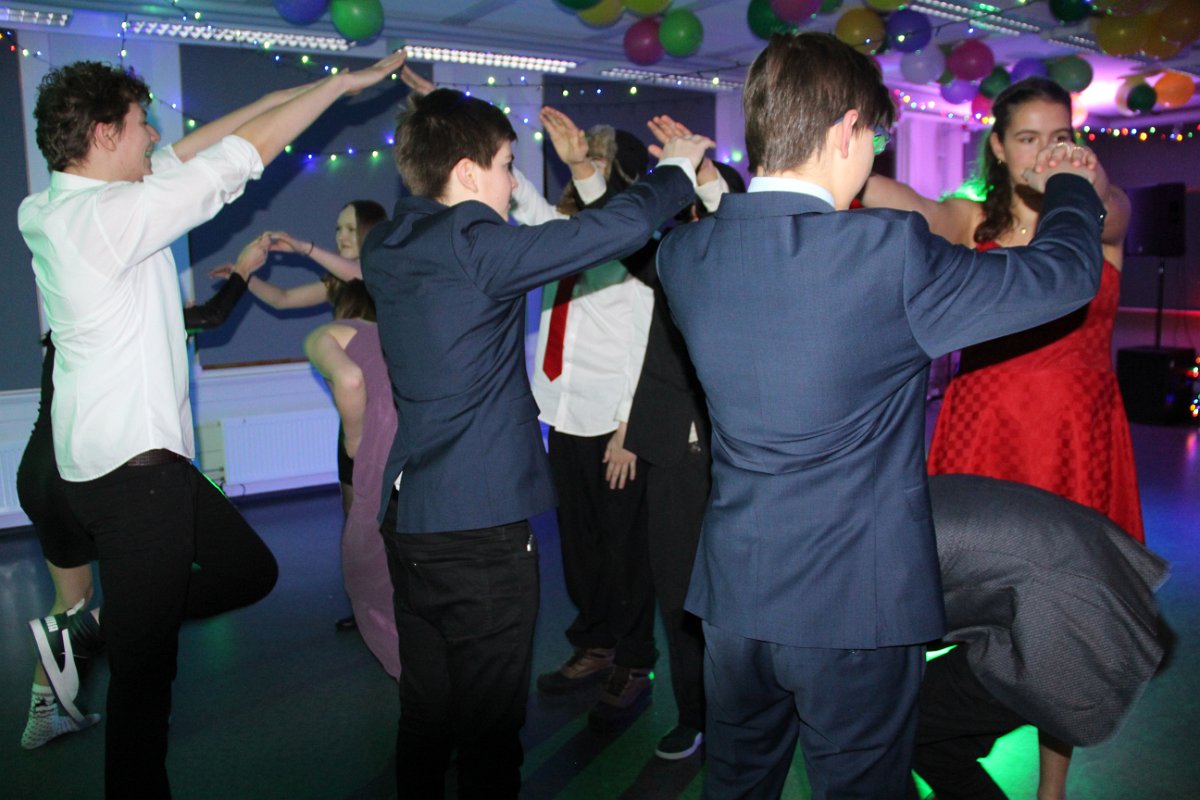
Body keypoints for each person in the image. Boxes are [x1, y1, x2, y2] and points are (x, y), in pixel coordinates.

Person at [655, 32, 1107, 798]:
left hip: (735, 598)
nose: (872, 156)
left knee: (736, 786)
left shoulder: (684, 259)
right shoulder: (887, 253)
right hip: (855, 613)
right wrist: (1069, 184)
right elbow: (1063, 275)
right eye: (873, 138)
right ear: (846, 130)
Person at [19, 51, 405, 797]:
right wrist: (336, 87)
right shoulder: (112, 219)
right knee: (145, 690)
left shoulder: (51, 209)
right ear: (104, 134)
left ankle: (91, 629)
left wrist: (283, 91)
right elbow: (237, 159)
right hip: (137, 480)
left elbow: (188, 153)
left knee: (248, 571)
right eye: (141, 124)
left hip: (113, 468)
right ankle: (114, 659)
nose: (154, 136)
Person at [359, 85, 711, 798]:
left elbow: (544, 226)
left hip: (410, 517)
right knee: (491, 731)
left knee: (426, 708)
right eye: (503, 167)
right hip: (477, 529)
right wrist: (674, 168)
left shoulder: (387, 244)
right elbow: (611, 230)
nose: (509, 185)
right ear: (466, 173)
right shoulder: (473, 246)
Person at [861, 77, 1143, 542]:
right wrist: (846, 162)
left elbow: (1109, 206)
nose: (1047, 154)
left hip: (1076, 428)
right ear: (999, 147)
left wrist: (1077, 178)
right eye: (1028, 139)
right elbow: (918, 213)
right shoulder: (971, 220)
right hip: (987, 423)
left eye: (1060, 138)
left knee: (1074, 565)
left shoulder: (1098, 220)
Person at [19, 238, 269, 750]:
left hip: (43, 474)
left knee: (73, 603)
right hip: (103, 472)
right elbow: (212, 316)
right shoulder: (129, 315)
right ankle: (139, 713)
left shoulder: (74, 316)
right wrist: (244, 269)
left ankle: (44, 712)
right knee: (139, 600)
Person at [916, 475, 1168, 800]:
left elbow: (1061, 675)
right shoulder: (898, 500)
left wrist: (1051, 789)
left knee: (899, 721)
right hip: (1089, 569)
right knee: (930, 740)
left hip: (1078, 618)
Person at [624, 146, 744, 760]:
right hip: (673, 454)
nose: (692, 217)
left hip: (741, 461)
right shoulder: (670, 258)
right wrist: (591, 176)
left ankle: (743, 716)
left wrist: (714, 189)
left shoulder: (752, 260)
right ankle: (694, 715)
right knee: (677, 595)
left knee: (742, 597)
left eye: (705, 201)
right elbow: (627, 243)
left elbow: (740, 239)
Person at [214, 200, 388, 521]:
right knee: (352, 505)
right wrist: (243, 276)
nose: (341, 236)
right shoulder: (337, 282)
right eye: (338, 229)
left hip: (386, 400)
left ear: (370, 232)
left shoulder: (386, 272)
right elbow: (283, 299)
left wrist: (302, 247)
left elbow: (358, 273)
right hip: (353, 402)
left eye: (351, 229)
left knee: (386, 504)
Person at [303, 278, 401, 679]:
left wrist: (355, 438)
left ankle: (407, 669)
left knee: (364, 564)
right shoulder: (397, 332)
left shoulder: (325, 333)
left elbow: (349, 379)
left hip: (382, 439)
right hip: (422, 438)